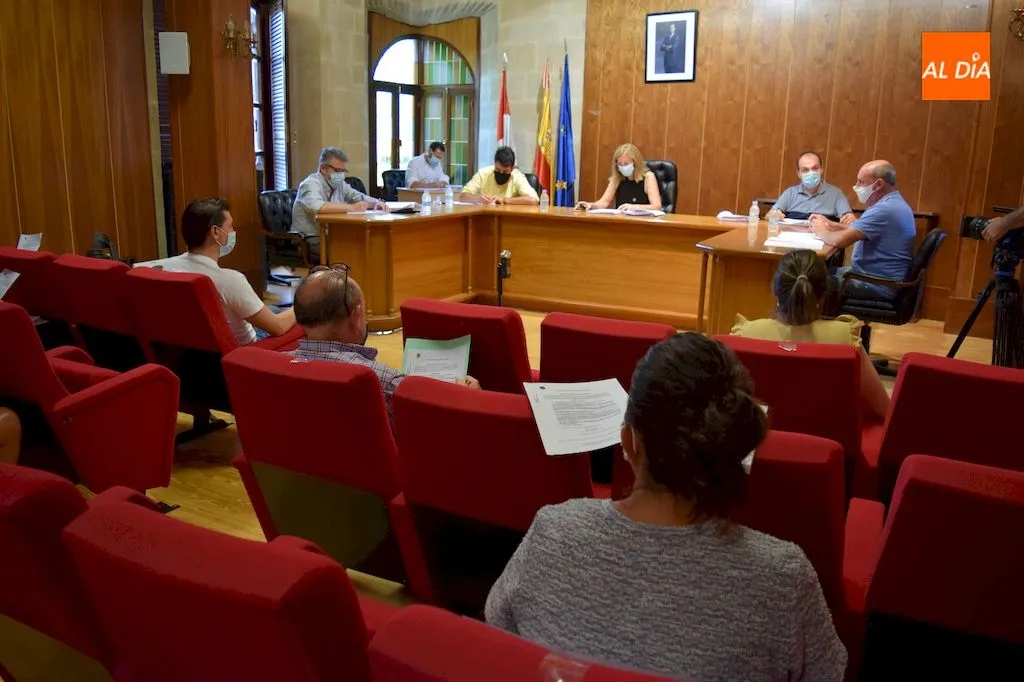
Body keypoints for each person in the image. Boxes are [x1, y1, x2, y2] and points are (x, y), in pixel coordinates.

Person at [485, 333, 846, 682]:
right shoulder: (784, 578)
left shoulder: (552, 531)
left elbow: (497, 638)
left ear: (628, 441)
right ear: (738, 448)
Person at [287, 265, 480, 426]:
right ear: (356, 315)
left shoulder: (277, 366)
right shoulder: (383, 381)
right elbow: (439, 426)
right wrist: (468, 400)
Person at [731, 249, 890, 419]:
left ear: (775, 290)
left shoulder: (745, 335)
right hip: (830, 435)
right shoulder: (844, 337)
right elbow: (885, 409)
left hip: (763, 433)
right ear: (823, 294)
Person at [139, 198, 296, 346]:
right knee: (297, 317)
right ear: (216, 232)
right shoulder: (230, 280)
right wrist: (302, 306)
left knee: (275, 309)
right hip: (244, 351)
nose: (233, 232)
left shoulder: (160, 268)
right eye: (231, 227)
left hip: (192, 348)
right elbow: (278, 327)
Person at [809, 160, 915, 301]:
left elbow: (840, 241)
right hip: (875, 278)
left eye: (861, 182)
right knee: (814, 272)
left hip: (875, 285)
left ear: (878, 184)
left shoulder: (884, 209)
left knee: (808, 280)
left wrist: (820, 230)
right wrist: (831, 224)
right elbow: (860, 229)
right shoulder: (893, 203)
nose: (856, 186)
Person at [293, 147, 388, 261]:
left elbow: (358, 196)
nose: (341, 175)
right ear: (323, 168)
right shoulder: (310, 184)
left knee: (370, 244)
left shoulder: (339, 184)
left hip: (332, 235)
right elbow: (318, 207)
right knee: (355, 250)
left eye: (344, 171)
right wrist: (351, 208)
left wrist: (377, 202)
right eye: (338, 171)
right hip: (310, 239)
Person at [767, 152, 854, 223]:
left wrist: (849, 219)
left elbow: (849, 220)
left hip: (824, 237)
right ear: (798, 173)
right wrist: (774, 215)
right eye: (805, 170)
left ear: (821, 170)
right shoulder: (790, 193)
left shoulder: (836, 194)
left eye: (815, 168)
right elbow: (769, 215)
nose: (811, 173)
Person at [575, 143, 662, 212]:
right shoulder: (617, 178)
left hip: (643, 223)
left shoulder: (648, 177)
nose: (623, 167)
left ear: (635, 163)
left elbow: (657, 206)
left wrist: (634, 207)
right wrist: (590, 205)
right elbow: (604, 202)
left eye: (626, 164)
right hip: (622, 221)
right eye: (620, 164)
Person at [458, 146, 539, 206]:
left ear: (512, 168)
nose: (501, 173)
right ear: (494, 164)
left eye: (505, 171)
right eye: (498, 170)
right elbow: (462, 196)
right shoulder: (483, 174)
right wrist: (478, 199)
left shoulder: (517, 176)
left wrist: (504, 200)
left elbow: (533, 200)